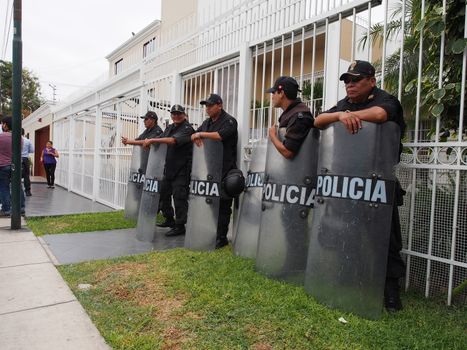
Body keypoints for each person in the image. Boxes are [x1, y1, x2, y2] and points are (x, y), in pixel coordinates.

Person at [314, 60, 406, 312]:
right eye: (346, 80)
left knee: (386, 240)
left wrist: (350, 116)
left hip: (377, 181)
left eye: (355, 80)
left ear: (371, 81)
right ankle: (351, 278)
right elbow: (319, 121)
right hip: (348, 181)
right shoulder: (344, 105)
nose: (350, 85)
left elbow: (381, 115)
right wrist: (340, 115)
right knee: (347, 233)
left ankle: (390, 292)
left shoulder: (385, 99)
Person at [191, 94, 238, 249]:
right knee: (212, 204)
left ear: (220, 105)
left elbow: (219, 136)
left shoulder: (230, 121)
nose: (207, 108)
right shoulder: (207, 123)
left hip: (225, 170)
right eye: (206, 106)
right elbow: (194, 133)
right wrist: (195, 136)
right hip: (211, 169)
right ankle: (213, 232)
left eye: (210, 105)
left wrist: (201, 135)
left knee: (223, 205)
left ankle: (221, 237)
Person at [143, 104, 194, 236]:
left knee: (179, 197)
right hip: (169, 168)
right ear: (171, 115)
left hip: (182, 170)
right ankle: (169, 219)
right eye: (174, 114)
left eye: (179, 113)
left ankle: (180, 225)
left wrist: (152, 139)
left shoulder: (187, 129)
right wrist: (152, 143)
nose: (176, 116)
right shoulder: (171, 127)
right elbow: (161, 141)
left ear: (184, 114)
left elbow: (172, 141)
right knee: (163, 194)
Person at [266, 76, 315, 157]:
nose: (272, 97)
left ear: (281, 93)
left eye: (273, 93)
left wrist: (272, 136)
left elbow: (288, 152)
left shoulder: (299, 116)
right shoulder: (292, 113)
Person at [0, 116, 25, 216]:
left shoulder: (1, 137)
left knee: (3, 187)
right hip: (16, 165)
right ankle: (21, 207)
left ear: (5, 125)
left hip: (2, 166)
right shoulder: (20, 137)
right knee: (18, 186)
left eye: (2, 123)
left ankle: (6, 209)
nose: (2, 125)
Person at [21, 128, 34, 196]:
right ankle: (27, 191)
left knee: (14, 175)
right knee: (26, 176)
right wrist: (25, 151)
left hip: (16, 159)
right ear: (23, 133)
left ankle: (16, 191)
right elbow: (32, 150)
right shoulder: (27, 140)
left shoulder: (13, 139)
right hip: (25, 159)